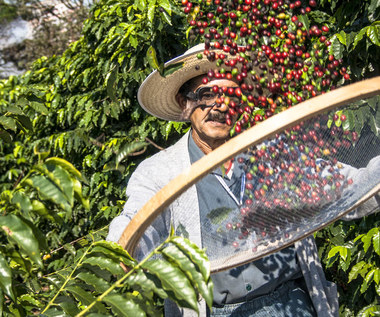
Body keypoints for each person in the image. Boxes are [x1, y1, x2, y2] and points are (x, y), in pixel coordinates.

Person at [107, 44, 380, 317]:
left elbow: (344, 188)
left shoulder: (273, 152)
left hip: (290, 303)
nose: (220, 105)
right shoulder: (159, 171)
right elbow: (137, 222)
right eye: (207, 94)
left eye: (230, 94)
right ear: (184, 103)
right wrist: (120, 251)